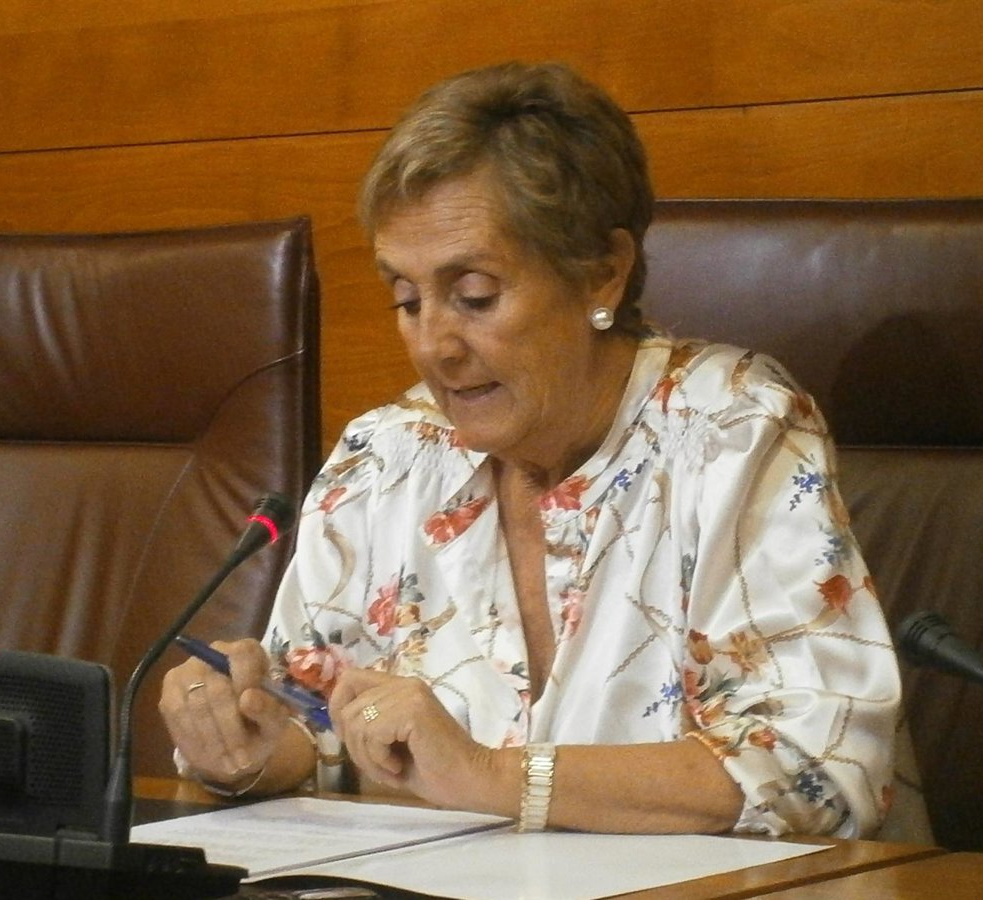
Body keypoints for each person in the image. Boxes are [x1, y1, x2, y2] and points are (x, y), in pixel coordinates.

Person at [159, 61, 899, 837]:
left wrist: (489, 776)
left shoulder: (730, 432)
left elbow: (820, 772)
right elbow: (320, 723)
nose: (434, 345)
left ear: (602, 275)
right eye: (406, 300)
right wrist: (254, 743)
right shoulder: (385, 457)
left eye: (475, 296)